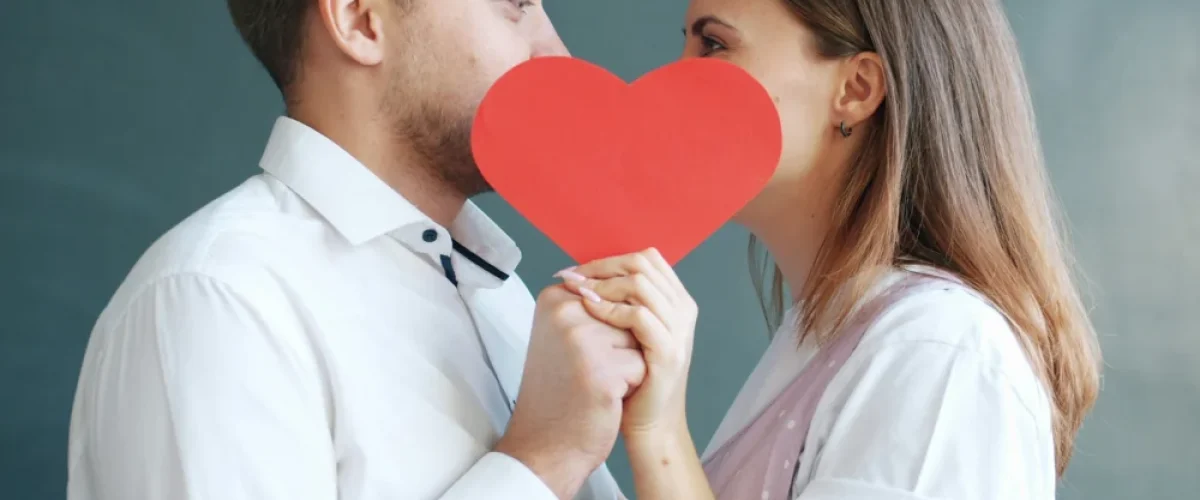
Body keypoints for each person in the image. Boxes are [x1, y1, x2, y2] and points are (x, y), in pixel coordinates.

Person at [66, 1, 640, 499]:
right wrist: (543, 460)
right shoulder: (217, 299)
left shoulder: (504, 300)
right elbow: (547, 462)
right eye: (514, 2)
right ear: (359, 21)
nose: (558, 56)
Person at [552, 0, 1103, 499]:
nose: (667, 79)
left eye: (714, 44)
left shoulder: (941, 353)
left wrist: (661, 436)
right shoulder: (836, 335)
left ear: (857, 89)